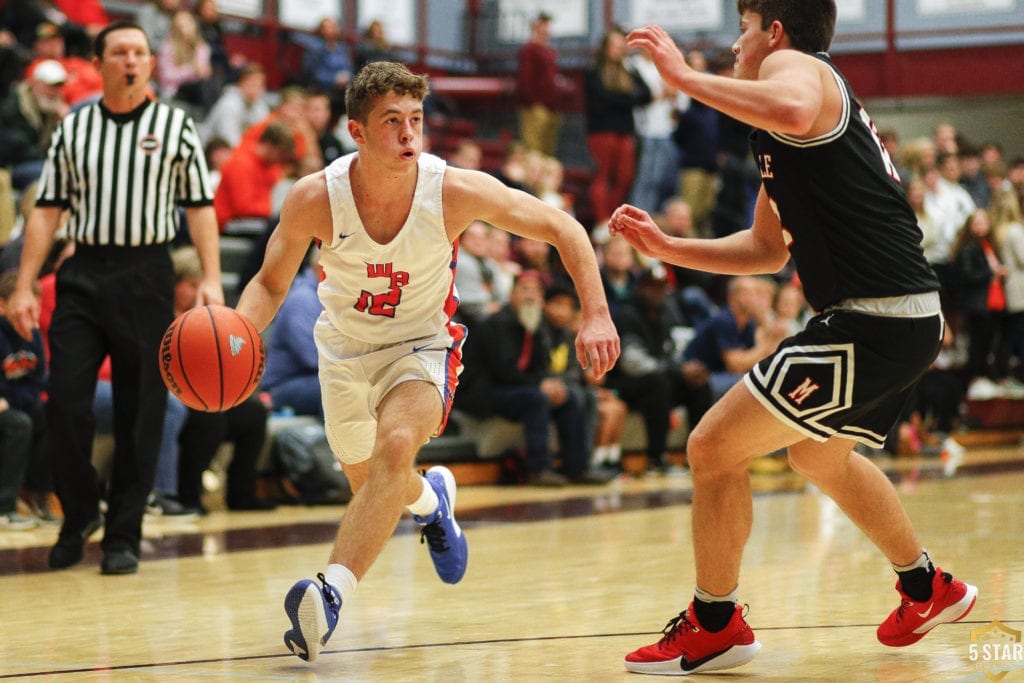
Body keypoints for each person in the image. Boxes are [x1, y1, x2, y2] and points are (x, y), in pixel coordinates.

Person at [613, 2, 976, 674]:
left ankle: (715, 621)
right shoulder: (783, 123)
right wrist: (669, 245)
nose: (734, 43)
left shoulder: (796, 70)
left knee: (712, 446)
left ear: (774, 32)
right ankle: (928, 588)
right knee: (819, 458)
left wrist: (681, 78)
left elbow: (786, 105)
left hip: (873, 317)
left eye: (743, 27)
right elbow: (765, 249)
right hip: (903, 317)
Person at [233, 61, 618, 662]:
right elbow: (269, 283)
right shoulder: (315, 198)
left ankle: (327, 596)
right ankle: (432, 502)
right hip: (342, 351)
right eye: (392, 122)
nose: (409, 134)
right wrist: (235, 337)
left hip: (421, 345)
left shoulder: (453, 191)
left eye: (416, 119)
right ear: (357, 132)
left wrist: (596, 311)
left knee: (394, 449)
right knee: (376, 486)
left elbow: (563, 228)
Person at [7, 21, 223, 575]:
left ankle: (124, 532)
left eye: (139, 52)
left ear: (151, 64)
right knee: (66, 401)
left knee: (140, 410)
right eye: (119, 52)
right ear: (99, 64)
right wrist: (27, 283)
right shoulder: (73, 131)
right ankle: (79, 515)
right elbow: (48, 209)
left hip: (146, 273)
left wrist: (212, 278)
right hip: (83, 273)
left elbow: (199, 206)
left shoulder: (176, 126)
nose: (130, 60)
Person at [456, 271, 608, 486]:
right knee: (536, 399)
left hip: (514, 388)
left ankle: (578, 467)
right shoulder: (497, 323)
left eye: (536, 291)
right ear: (511, 294)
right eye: (524, 289)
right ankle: (539, 469)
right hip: (480, 392)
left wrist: (551, 384)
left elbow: (539, 367)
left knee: (569, 397)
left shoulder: (533, 325)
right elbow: (503, 370)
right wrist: (540, 384)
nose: (530, 295)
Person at [582, 27, 651, 225]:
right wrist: (627, 98)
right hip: (601, 132)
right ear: (604, 48)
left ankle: (614, 216)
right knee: (603, 175)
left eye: (621, 46)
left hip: (625, 132)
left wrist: (622, 98)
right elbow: (602, 100)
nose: (617, 50)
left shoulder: (628, 70)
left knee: (625, 178)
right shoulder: (594, 72)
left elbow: (645, 94)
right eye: (613, 45)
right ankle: (603, 220)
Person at [0, 271, 47, 530]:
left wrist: (12, 398)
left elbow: (39, 380)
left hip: (13, 401)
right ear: (2, 305)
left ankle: (39, 495)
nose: (33, 312)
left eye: (36, 306)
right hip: (8, 407)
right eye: (26, 305)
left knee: (53, 414)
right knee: (19, 424)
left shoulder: (33, 334)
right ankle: (4, 507)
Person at [516, 12, 568, 156]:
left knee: (548, 151)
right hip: (536, 107)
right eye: (543, 24)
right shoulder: (529, 50)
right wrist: (533, 102)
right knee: (533, 149)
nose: (546, 29)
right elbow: (525, 79)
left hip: (552, 107)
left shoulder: (550, 51)